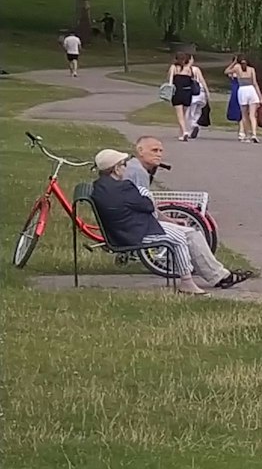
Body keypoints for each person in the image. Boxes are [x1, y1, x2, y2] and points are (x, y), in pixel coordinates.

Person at [117, 137, 253, 290]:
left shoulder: (134, 168)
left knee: (189, 233)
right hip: (136, 226)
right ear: (140, 151)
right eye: (154, 150)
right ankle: (218, 276)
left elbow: (146, 205)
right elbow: (144, 206)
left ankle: (219, 275)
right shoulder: (137, 172)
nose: (159, 154)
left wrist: (168, 220)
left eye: (161, 151)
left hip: (133, 222)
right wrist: (167, 221)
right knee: (190, 234)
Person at [92, 150, 210, 295]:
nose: (126, 168)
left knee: (189, 232)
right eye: (123, 165)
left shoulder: (100, 186)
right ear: (116, 169)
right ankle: (187, 282)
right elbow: (147, 206)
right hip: (136, 233)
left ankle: (208, 275)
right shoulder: (123, 188)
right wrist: (146, 196)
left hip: (127, 229)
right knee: (179, 238)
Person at [224, 54, 262, 143]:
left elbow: (226, 71)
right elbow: (255, 83)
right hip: (251, 90)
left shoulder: (237, 68)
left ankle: (246, 135)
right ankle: (254, 134)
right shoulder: (251, 69)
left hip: (242, 90)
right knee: (252, 115)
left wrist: (233, 63)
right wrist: (260, 97)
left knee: (244, 115)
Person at [168, 51, 207, 140]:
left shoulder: (174, 68)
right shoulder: (189, 69)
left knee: (179, 115)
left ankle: (185, 131)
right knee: (184, 114)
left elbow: (170, 82)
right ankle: (181, 133)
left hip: (178, 92)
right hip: (187, 93)